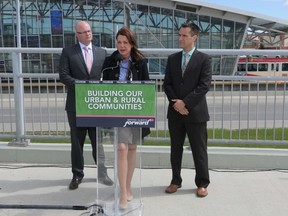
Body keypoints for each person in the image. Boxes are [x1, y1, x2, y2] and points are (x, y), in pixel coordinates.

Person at [59, 21, 113, 190]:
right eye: (84, 32)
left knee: (98, 141)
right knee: (77, 142)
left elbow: (108, 76)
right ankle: (77, 175)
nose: (88, 34)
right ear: (77, 34)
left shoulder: (102, 53)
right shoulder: (68, 52)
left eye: (89, 31)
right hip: (76, 104)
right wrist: (83, 87)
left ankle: (102, 174)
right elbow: (63, 75)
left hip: (96, 106)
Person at [102, 27, 150, 209]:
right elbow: (103, 87)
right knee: (121, 148)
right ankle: (122, 192)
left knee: (131, 149)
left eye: (125, 42)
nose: (121, 46)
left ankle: (128, 186)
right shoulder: (109, 61)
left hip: (135, 112)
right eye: (119, 42)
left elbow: (147, 88)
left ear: (131, 44)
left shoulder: (140, 62)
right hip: (116, 112)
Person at [163, 22, 211, 197]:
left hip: (196, 113)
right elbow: (167, 84)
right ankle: (175, 181)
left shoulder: (204, 59)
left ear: (194, 37)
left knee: (199, 150)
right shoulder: (172, 59)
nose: (180, 38)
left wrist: (185, 103)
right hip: (175, 113)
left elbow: (204, 86)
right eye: (179, 35)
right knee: (175, 149)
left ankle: (202, 183)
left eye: (184, 35)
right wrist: (177, 103)